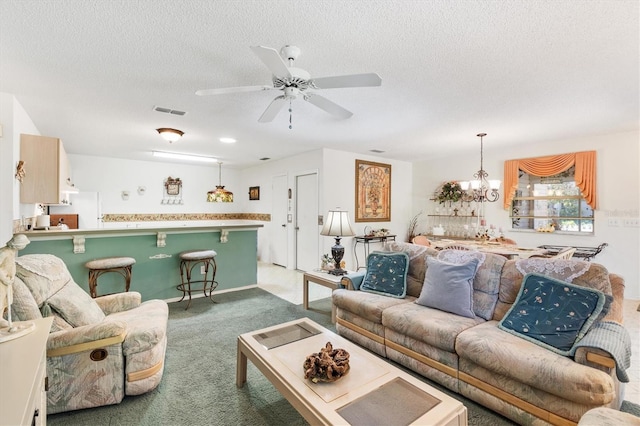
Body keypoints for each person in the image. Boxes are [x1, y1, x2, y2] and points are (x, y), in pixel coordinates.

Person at [0, 234, 30, 328]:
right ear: (18, 244)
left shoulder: (12, 252)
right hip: (1, 281)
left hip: (7, 281)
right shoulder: (4, 252)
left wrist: (12, 276)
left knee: (5, 300)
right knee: (0, 300)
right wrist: (3, 278)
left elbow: (11, 265)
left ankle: (0, 318)